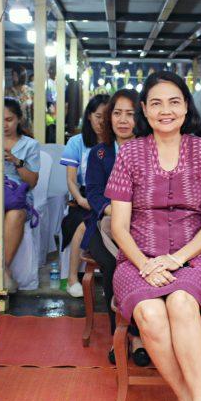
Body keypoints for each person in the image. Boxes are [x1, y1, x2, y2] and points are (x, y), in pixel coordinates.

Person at [106, 71, 201, 401]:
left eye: (174, 101)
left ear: (186, 107)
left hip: (194, 257)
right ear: (144, 110)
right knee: (150, 313)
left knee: (180, 303)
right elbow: (118, 226)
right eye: (156, 103)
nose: (166, 110)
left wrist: (177, 259)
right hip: (137, 257)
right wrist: (145, 264)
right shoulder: (129, 153)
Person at [84, 89, 149, 366]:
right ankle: (121, 336)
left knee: (141, 263)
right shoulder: (99, 153)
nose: (123, 120)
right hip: (105, 226)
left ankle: (139, 334)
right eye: (117, 113)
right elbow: (94, 194)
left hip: (144, 226)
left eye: (130, 114)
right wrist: (118, 212)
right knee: (115, 264)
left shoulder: (151, 150)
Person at [60, 93, 109, 297]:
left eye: (107, 117)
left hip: (111, 197)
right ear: (89, 116)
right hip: (84, 197)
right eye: (98, 116)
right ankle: (72, 279)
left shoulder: (115, 142)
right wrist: (80, 200)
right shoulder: (77, 142)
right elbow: (71, 180)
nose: (102, 122)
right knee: (83, 225)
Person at [3, 97, 40, 293]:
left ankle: (3, 268)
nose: (4, 125)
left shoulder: (30, 145)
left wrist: (16, 161)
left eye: (9, 119)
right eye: (0, 119)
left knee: (16, 213)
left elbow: (32, 182)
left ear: (18, 119)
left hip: (19, 195)